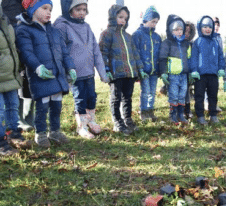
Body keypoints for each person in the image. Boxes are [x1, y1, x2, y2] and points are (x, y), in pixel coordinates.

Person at [16, 0, 76, 148]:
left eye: (50, 9)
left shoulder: (54, 31)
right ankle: (41, 133)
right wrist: (37, 67)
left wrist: (71, 68)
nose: (49, 12)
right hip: (40, 76)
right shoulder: (24, 30)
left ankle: (55, 131)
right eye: (44, 8)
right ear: (32, 10)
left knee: (56, 106)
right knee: (42, 107)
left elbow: (64, 52)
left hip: (57, 75)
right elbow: (26, 52)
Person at [54, 0, 109, 140]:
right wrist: (65, 71)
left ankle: (91, 120)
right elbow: (60, 50)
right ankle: (82, 126)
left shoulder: (87, 27)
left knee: (92, 97)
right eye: (78, 9)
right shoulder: (62, 26)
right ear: (70, 9)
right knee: (80, 99)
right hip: (75, 73)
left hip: (89, 72)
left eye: (84, 9)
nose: (82, 12)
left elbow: (95, 50)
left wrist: (102, 73)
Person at [99, 4, 143, 135]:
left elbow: (135, 54)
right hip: (115, 73)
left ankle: (127, 119)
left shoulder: (128, 36)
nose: (123, 20)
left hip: (129, 73)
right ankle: (117, 121)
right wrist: (106, 69)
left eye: (125, 18)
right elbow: (103, 53)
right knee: (116, 97)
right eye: (120, 17)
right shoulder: (107, 34)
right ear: (113, 17)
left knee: (127, 97)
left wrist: (139, 69)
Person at [0, 3, 32, 155]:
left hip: (11, 75)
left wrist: (17, 65)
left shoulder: (6, 23)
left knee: (12, 105)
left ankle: (14, 133)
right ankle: (1, 141)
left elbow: (12, 48)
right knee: (0, 110)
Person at [190, 16, 225, 125]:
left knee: (213, 95)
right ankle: (200, 116)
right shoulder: (197, 42)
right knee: (199, 96)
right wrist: (194, 70)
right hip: (200, 75)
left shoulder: (215, 42)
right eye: (205, 27)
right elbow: (194, 57)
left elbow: (220, 56)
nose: (208, 29)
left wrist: (221, 68)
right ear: (200, 27)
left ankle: (213, 115)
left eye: (210, 27)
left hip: (213, 74)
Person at [159, 14, 190, 125]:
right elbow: (162, 58)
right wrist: (163, 73)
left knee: (182, 95)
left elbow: (189, 58)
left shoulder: (186, 44)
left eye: (181, 29)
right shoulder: (167, 43)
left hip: (184, 75)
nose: (179, 31)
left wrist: (190, 72)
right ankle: (173, 115)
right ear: (171, 30)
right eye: (176, 29)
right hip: (172, 75)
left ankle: (181, 115)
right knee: (173, 94)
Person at [133, 5, 161, 122]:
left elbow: (159, 54)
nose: (154, 24)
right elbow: (136, 53)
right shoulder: (137, 35)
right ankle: (143, 111)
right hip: (144, 70)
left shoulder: (157, 37)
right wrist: (139, 69)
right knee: (146, 91)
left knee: (153, 92)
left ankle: (150, 110)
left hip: (154, 71)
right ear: (145, 20)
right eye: (152, 21)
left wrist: (159, 69)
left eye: (156, 22)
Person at [184, 21, 196, 119]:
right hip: (178, 72)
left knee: (187, 91)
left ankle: (187, 110)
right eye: (185, 31)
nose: (186, 33)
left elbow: (194, 58)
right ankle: (178, 110)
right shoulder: (177, 44)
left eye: (189, 31)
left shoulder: (192, 45)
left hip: (188, 72)